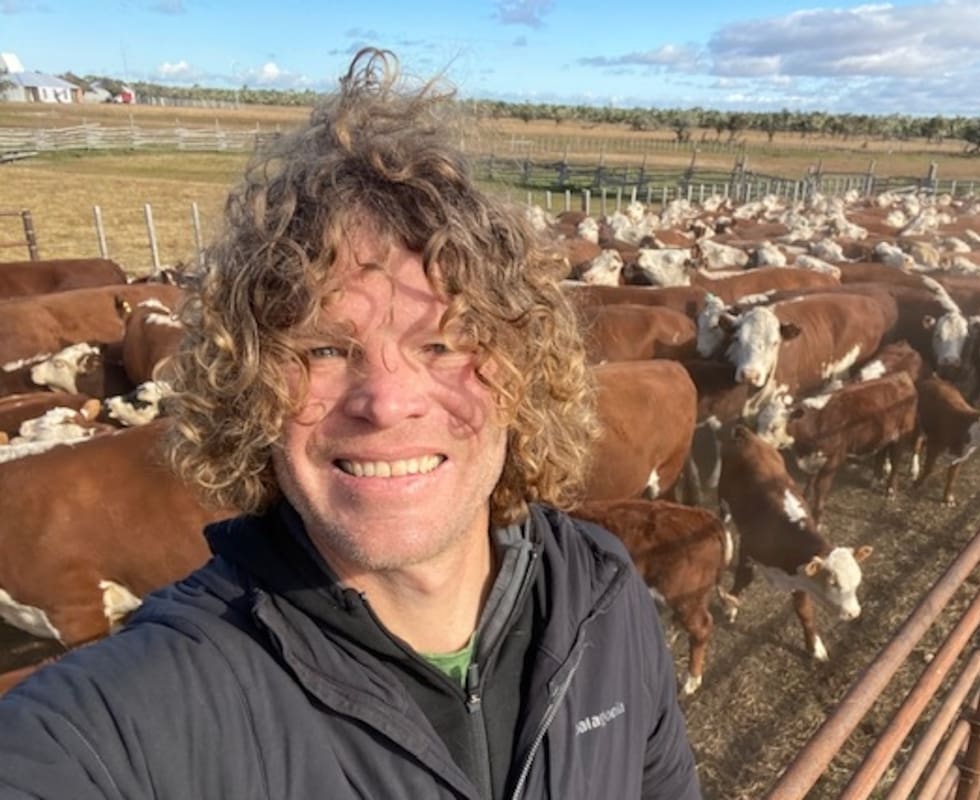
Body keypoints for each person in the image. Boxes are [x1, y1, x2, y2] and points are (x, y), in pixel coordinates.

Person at [0, 48, 700, 799]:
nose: (387, 400)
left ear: (524, 377)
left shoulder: (601, 593)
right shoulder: (149, 703)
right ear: (247, 394)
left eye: (444, 342)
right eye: (325, 350)